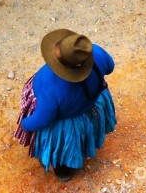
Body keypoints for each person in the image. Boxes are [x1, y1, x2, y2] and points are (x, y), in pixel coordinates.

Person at [14, 29, 117, 181]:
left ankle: (62, 169)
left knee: (62, 147)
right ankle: (72, 161)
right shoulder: (95, 52)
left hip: (67, 122)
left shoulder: (53, 90)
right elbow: (110, 66)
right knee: (81, 137)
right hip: (89, 105)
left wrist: (26, 124)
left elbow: (43, 119)